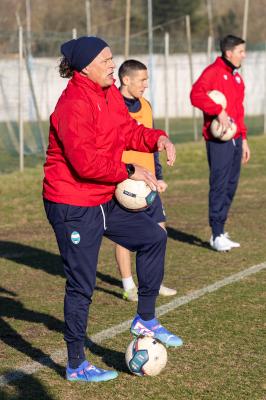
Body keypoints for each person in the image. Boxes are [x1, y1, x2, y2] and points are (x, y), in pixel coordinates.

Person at [43, 36, 183, 383]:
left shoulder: (108, 95)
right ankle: (76, 364)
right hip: (72, 203)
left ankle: (145, 319)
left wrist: (158, 139)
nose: (112, 64)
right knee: (81, 285)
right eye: (106, 59)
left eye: (111, 58)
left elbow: (128, 131)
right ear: (86, 66)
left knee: (153, 237)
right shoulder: (73, 103)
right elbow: (85, 163)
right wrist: (130, 171)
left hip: (103, 197)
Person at [116, 59, 177, 301]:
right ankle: (128, 285)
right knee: (124, 234)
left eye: (146, 79)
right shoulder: (113, 106)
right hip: (126, 181)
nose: (145, 85)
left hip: (149, 180)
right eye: (142, 80)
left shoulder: (146, 106)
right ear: (126, 79)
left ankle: (152, 282)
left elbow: (151, 144)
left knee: (159, 232)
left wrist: (158, 176)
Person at [190, 34, 250, 252]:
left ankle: (221, 229)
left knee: (231, 186)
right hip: (218, 140)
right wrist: (218, 111)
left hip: (235, 139)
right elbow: (195, 95)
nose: (244, 55)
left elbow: (239, 111)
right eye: (241, 51)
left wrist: (243, 138)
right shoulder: (212, 73)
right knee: (219, 185)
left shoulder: (236, 78)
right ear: (229, 52)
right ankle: (215, 234)